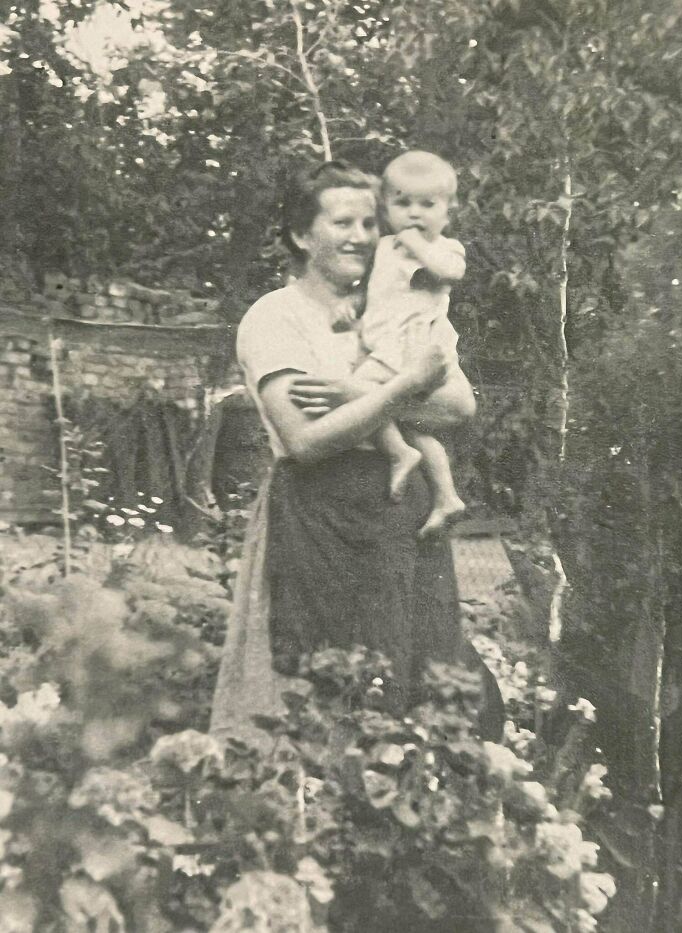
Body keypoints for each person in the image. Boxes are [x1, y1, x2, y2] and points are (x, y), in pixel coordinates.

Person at [209, 160, 503, 746]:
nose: (361, 237)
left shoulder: (401, 302)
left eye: (370, 223)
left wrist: (357, 395)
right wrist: (401, 387)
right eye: (342, 223)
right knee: (325, 687)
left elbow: (457, 405)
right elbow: (307, 440)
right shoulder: (277, 316)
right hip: (323, 515)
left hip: (406, 518)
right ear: (301, 234)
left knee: (423, 680)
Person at [356, 150, 468, 538]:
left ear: (449, 211)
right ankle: (446, 495)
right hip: (387, 345)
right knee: (413, 424)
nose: (414, 214)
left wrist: (416, 243)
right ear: (386, 207)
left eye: (427, 205)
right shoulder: (382, 249)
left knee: (359, 392)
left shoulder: (446, 248)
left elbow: (450, 272)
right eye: (403, 204)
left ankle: (398, 454)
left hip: (415, 350)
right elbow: (374, 293)